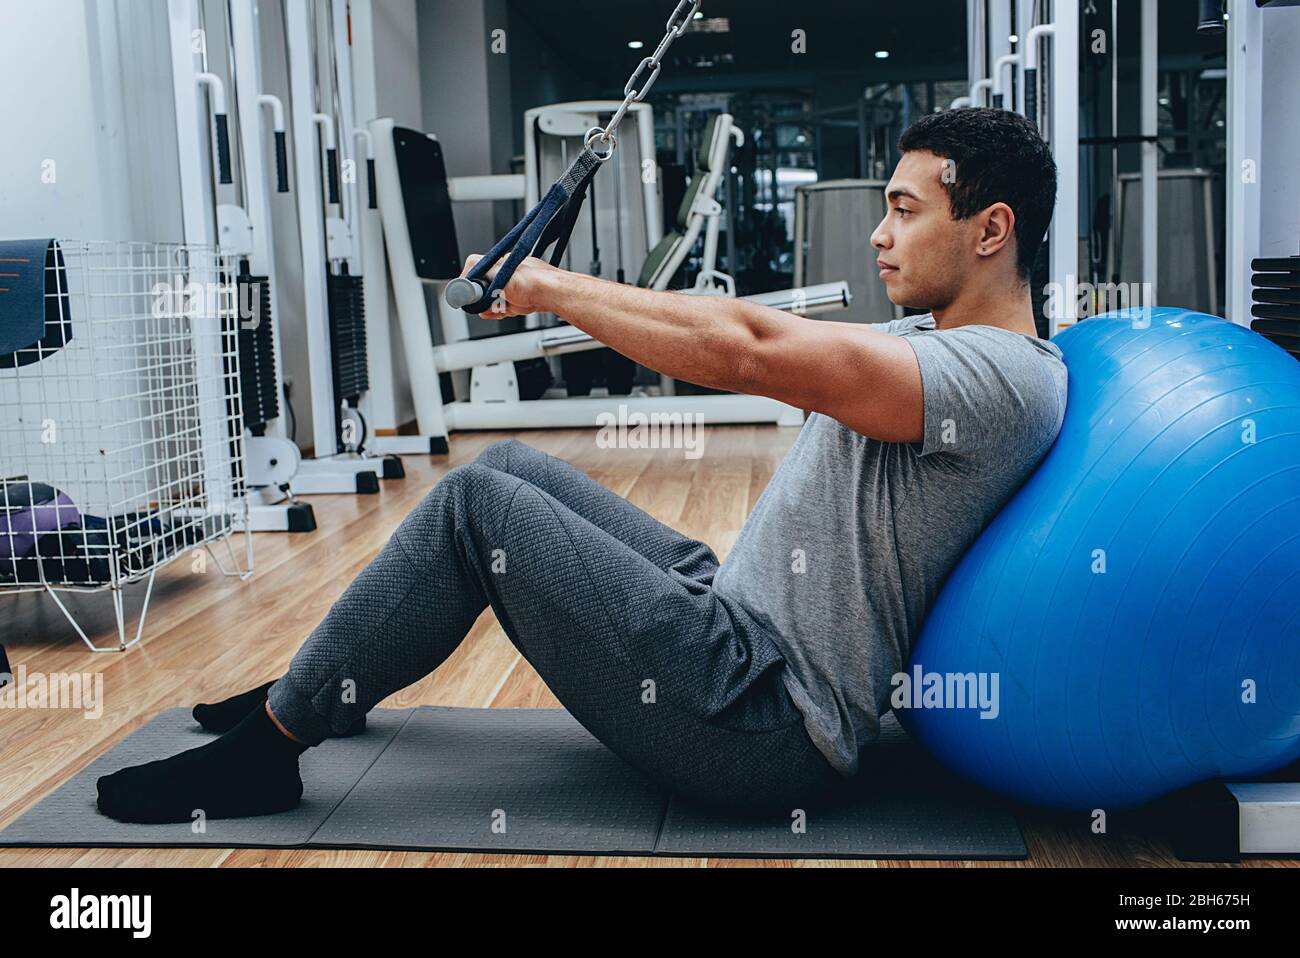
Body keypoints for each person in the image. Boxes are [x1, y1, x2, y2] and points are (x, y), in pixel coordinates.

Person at [96, 107, 1067, 823]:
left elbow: (751, 351)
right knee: (512, 463)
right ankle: (326, 682)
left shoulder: (998, 378)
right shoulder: (939, 344)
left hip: (761, 716)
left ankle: (270, 748)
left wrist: (554, 286)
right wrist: (550, 297)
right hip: (730, 612)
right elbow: (744, 330)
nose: (879, 232)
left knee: (479, 504)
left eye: (904, 210)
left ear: (990, 229)